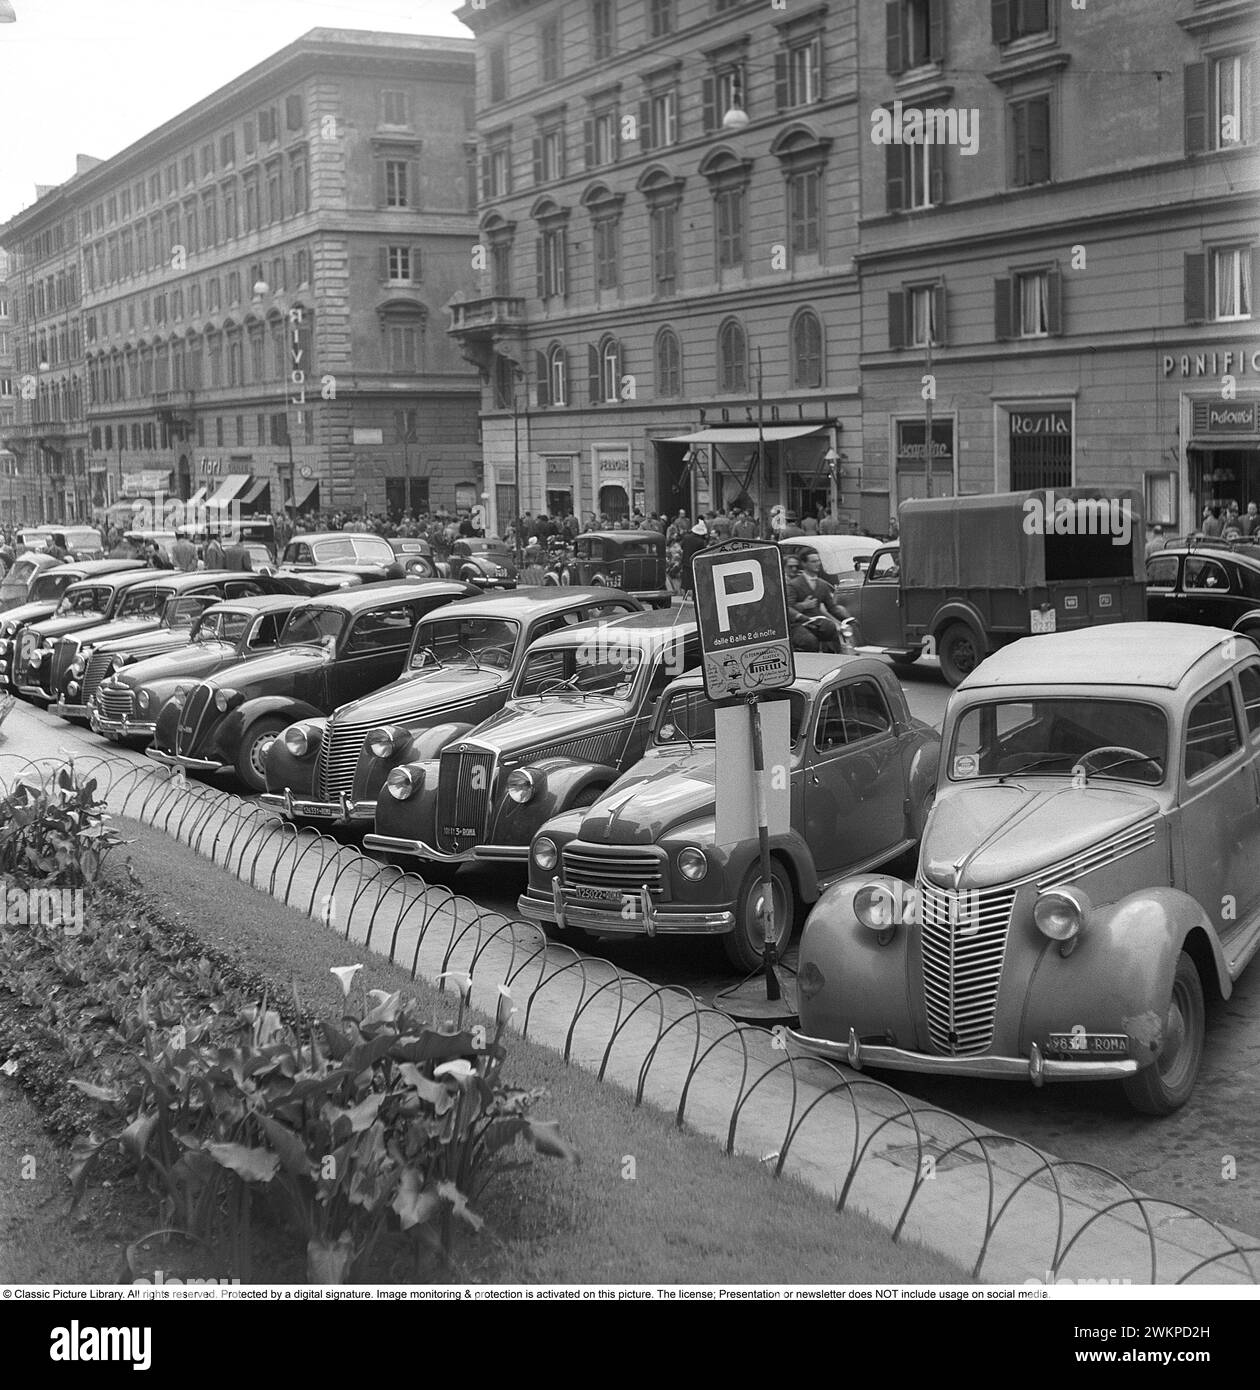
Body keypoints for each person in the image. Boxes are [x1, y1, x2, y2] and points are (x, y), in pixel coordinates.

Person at [788, 548, 850, 654]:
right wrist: (802, 611)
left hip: (817, 623)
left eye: (818, 561)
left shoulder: (822, 584)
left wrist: (847, 619)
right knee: (809, 641)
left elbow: (832, 607)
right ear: (804, 564)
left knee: (832, 630)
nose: (817, 564)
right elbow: (788, 607)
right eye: (813, 561)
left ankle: (836, 659)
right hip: (798, 624)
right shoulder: (793, 584)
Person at [678, 520, 708, 594]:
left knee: (686, 579)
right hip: (694, 562)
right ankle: (694, 595)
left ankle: (685, 594)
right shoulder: (701, 542)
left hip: (685, 561)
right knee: (694, 580)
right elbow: (703, 552)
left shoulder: (686, 538)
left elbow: (682, 546)